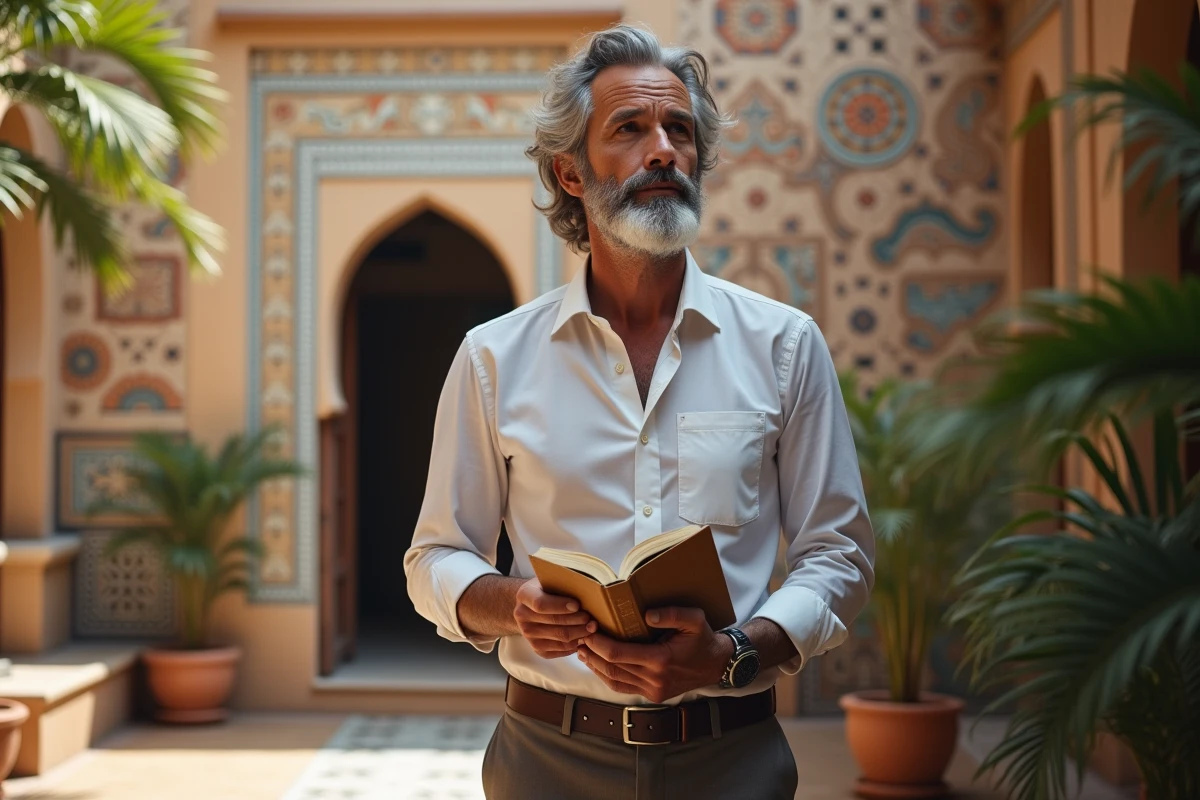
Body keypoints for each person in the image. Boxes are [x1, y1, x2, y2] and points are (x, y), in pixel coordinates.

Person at [404, 23, 875, 800]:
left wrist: (731, 653)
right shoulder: (495, 358)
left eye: (679, 131)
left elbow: (840, 553)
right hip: (545, 759)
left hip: (734, 758)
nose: (664, 151)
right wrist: (514, 605)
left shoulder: (785, 346)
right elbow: (435, 558)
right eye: (630, 129)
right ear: (571, 171)